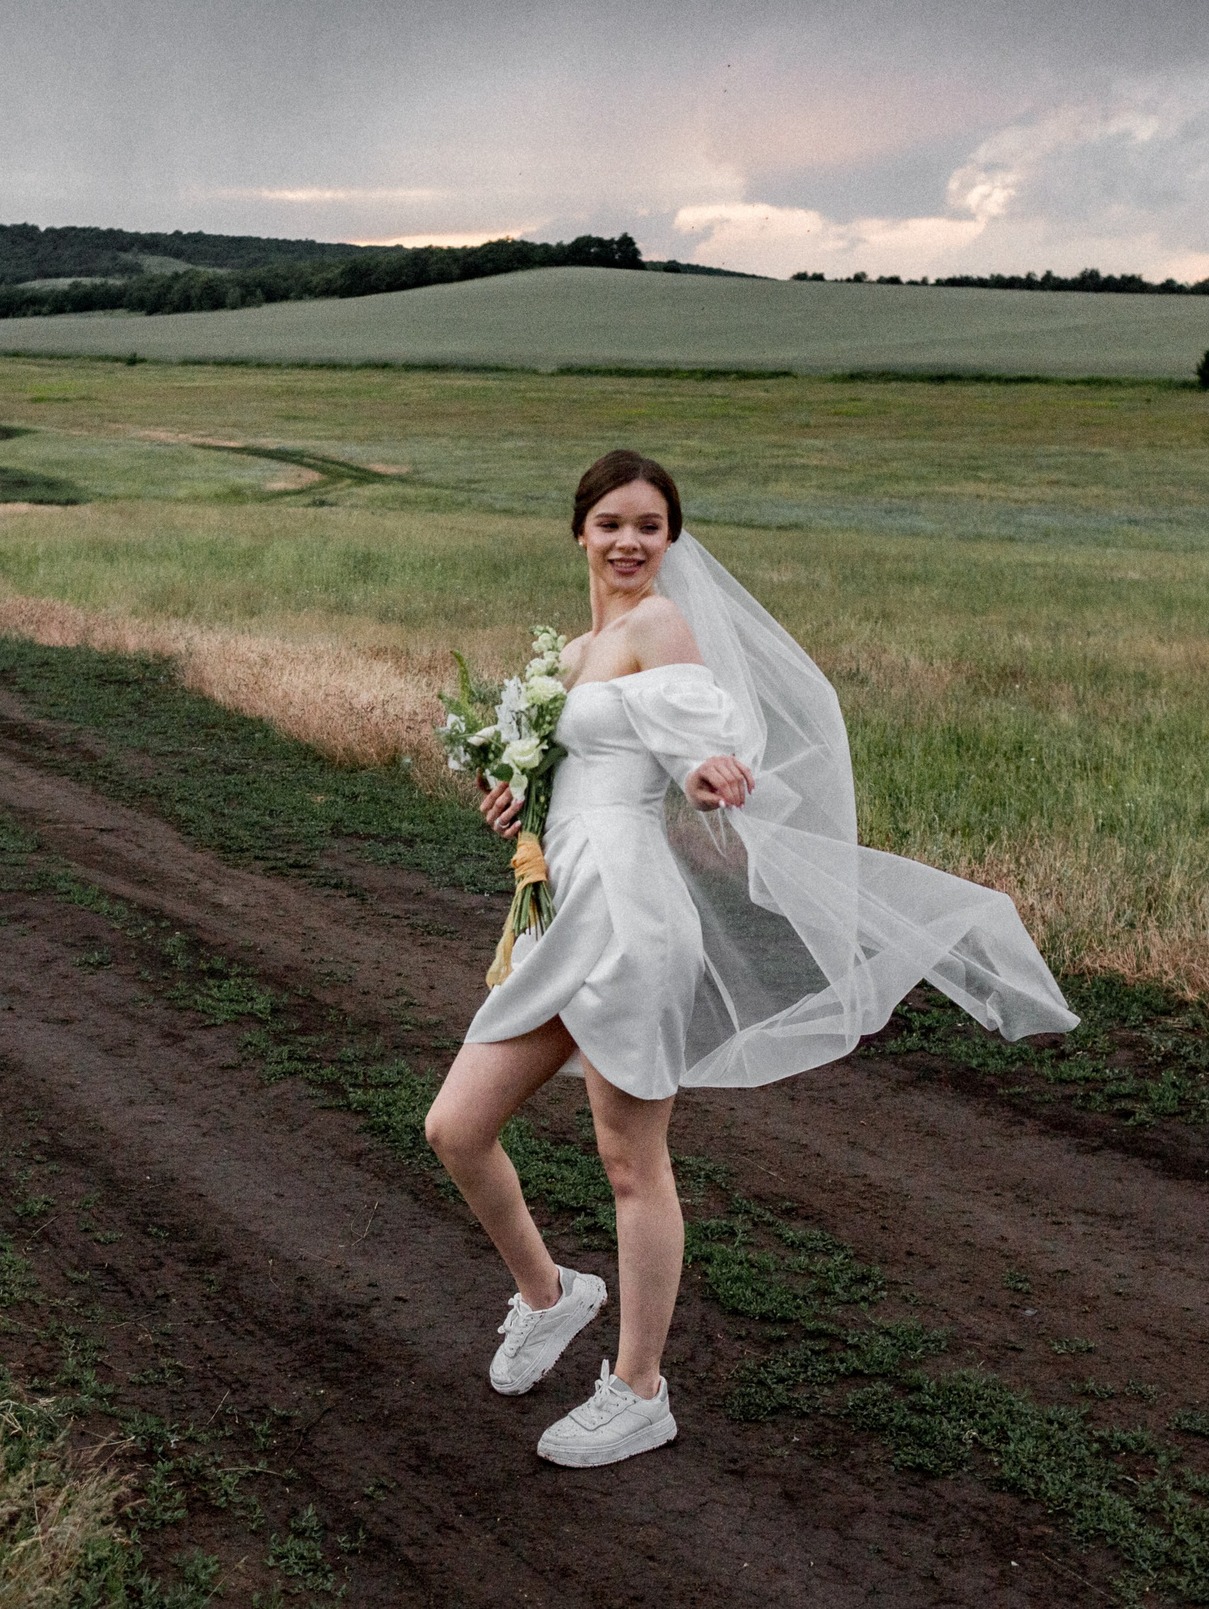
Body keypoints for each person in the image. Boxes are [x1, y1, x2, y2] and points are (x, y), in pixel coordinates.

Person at [422, 449, 1078, 1469]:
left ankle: (638, 1389)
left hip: (634, 921)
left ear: (671, 540)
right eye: (610, 524)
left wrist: (710, 774)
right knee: (455, 1127)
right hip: (557, 919)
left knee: (628, 1161)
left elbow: (696, 747)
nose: (629, 542)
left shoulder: (657, 629)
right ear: (578, 534)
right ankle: (550, 1297)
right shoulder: (564, 657)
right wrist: (509, 798)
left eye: (649, 525)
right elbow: (571, 778)